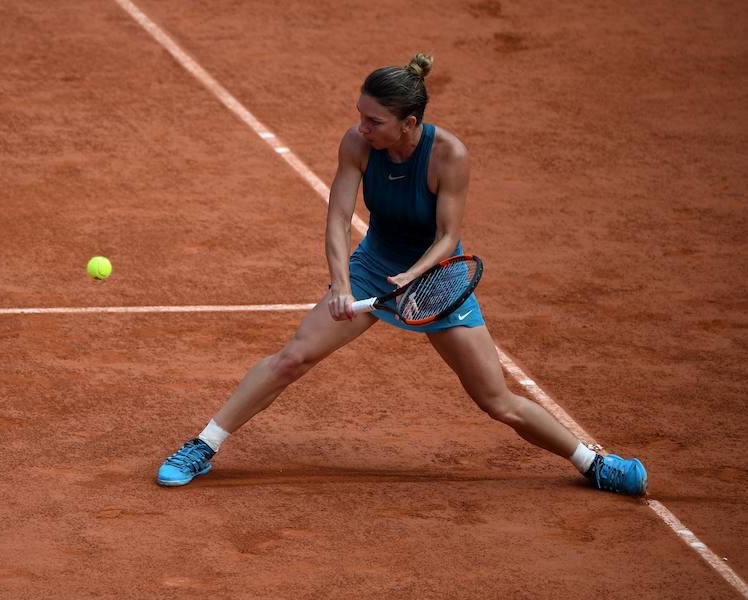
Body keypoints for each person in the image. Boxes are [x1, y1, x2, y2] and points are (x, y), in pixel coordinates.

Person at [156, 53, 647, 496]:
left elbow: (448, 237)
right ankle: (203, 445)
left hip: (436, 278)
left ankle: (593, 464)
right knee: (293, 357)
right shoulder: (358, 144)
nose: (361, 126)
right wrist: (342, 284)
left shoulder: (449, 155)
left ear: (408, 123)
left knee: (497, 401)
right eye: (360, 115)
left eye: (374, 120)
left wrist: (415, 275)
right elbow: (337, 217)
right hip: (373, 269)